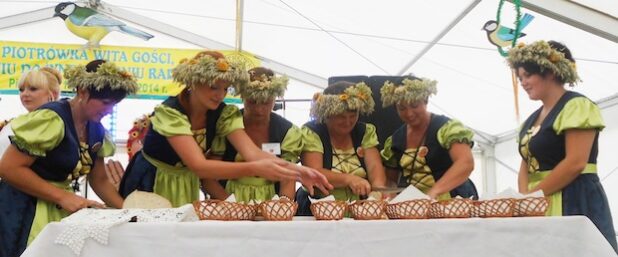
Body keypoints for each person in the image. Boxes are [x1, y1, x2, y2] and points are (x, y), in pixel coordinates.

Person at [119, 51, 331, 207]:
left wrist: (299, 171)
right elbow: (200, 166)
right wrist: (254, 169)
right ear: (193, 81)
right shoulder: (170, 112)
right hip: (153, 179)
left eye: (225, 88)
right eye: (213, 87)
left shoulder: (224, 113)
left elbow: (253, 153)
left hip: (186, 182)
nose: (219, 94)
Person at [0, 60, 136, 257]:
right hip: (23, 208)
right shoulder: (51, 119)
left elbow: (99, 180)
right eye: (105, 103)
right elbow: (8, 169)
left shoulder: (96, 129)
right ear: (82, 92)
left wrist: (128, 211)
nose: (109, 110)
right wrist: (63, 196)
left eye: (114, 104)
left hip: (58, 208)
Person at [507, 40, 617, 251]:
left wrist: (534, 197)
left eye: (528, 75)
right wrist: (525, 200)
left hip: (574, 196)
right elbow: (526, 163)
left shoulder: (576, 105)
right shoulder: (530, 120)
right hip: (539, 200)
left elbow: (575, 162)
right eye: (520, 78)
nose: (523, 82)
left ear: (550, 72)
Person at [202, 67, 299, 202]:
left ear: (275, 98)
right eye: (252, 102)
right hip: (230, 198)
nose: (259, 110)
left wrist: (282, 205)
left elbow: (288, 178)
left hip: (271, 201)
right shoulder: (227, 123)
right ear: (243, 97)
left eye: (266, 103)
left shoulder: (287, 131)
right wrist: (229, 202)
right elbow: (208, 176)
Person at [296, 81, 386, 215]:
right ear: (327, 114)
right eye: (341, 117)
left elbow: (375, 168)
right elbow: (314, 172)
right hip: (319, 208)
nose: (348, 122)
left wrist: (375, 195)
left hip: (360, 208)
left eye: (352, 116)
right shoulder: (313, 132)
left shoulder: (365, 132)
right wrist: (349, 179)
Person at [380, 77, 478, 200]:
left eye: (414, 105)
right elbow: (390, 179)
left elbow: (466, 163)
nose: (409, 113)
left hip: (453, 200)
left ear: (425, 100)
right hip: (416, 204)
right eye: (402, 108)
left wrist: (434, 192)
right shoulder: (396, 139)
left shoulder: (446, 128)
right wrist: (391, 195)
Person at [0, 67, 62, 156]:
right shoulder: (13, 122)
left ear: (53, 93)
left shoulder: (55, 125)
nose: (25, 94)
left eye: (33, 89)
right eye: (21, 89)